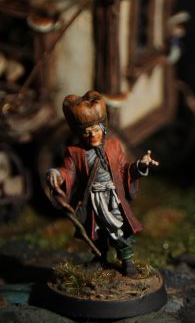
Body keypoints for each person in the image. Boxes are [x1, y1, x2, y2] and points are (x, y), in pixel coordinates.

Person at [46, 90, 158, 277]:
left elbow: (124, 169)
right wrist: (56, 174)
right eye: (87, 132)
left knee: (118, 229)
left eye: (96, 130)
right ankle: (100, 258)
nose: (92, 135)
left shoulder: (114, 146)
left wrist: (140, 166)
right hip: (92, 199)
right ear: (80, 133)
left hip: (112, 197)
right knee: (96, 230)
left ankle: (127, 260)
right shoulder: (75, 152)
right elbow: (68, 171)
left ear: (103, 129)